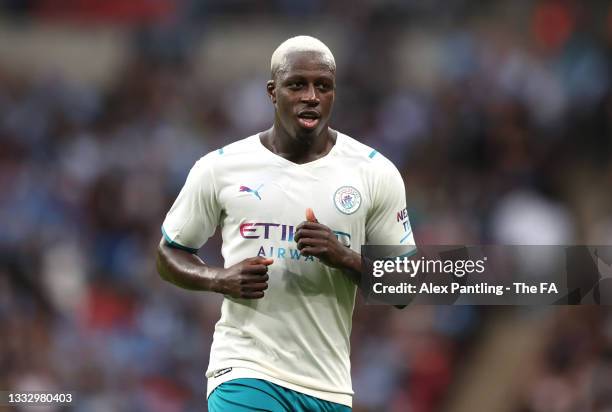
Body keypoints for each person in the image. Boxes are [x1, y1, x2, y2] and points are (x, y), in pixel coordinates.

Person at [157, 35, 415, 411]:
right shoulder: (222, 167)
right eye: (297, 84)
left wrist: (344, 256)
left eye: (322, 86)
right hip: (244, 370)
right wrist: (219, 279)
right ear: (272, 92)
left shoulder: (374, 172)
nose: (311, 96)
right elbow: (169, 253)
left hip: (327, 387)